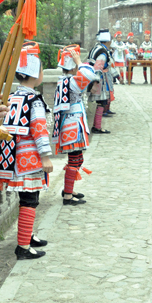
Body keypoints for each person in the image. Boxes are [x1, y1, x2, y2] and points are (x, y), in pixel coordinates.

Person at [0, 42, 52, 260]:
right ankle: (23, 247)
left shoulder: (13, 97)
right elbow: (39, 130)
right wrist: (45, 156)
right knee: (30, 199)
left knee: (27, 199)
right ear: (35, 74)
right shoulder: (34, 100)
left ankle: (28, 236)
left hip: (13, 155)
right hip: (29, 157)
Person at [53, 45, 99, 206]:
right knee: (74, 159)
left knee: (77, 158)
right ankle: (67, 195)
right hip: (73, 124)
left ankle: (69, 189)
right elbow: (89, 74)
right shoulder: (72, 82)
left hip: (72, 122)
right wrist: (80, 62)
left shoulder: (65, 81)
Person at [87, 28, 117, 134]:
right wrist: (95, 82)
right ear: (108, 41)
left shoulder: (97, 48)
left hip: (98, 76)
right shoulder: (102, 52)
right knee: (101, 102)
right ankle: (97, 127)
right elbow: (98, 67)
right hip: (100, 78)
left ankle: (97, 126)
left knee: (101, 103)